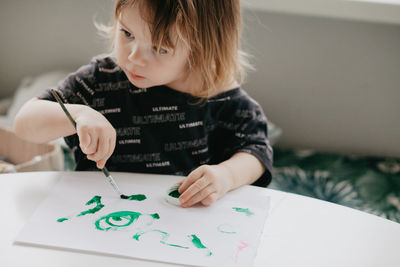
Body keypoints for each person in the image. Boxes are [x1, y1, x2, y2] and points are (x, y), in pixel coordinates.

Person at [13, 0, 273, 208]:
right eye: (127, 33)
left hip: (180, 227)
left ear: (203, 48)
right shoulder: (98, 81)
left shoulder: (222, 98)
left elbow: (256, 151)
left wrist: (226, 176)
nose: (135, 58)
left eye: (160, 48)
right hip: (95, 217)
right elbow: (25, 123)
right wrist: (79, 113)